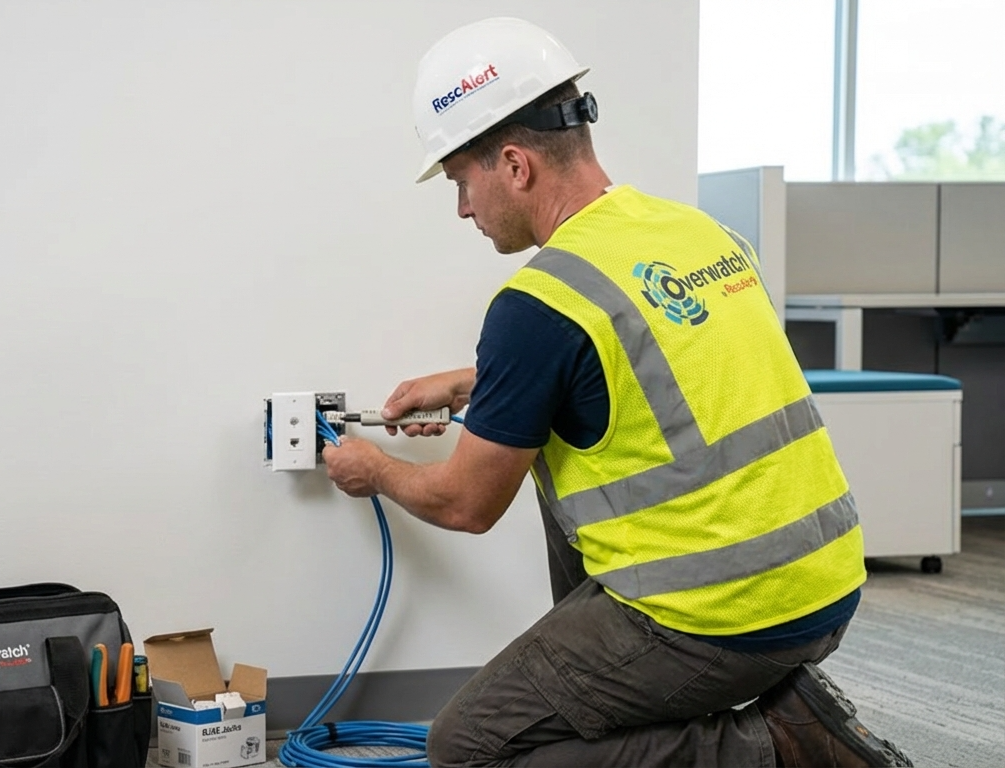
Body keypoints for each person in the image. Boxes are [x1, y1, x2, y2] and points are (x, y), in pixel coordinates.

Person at [321, 17, 912, 768]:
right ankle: (752, 706)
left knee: (467, 746)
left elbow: (467, 505)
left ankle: (778, 745)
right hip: (823, 582)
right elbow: (652, 368)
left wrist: (373, 470)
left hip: (723, 614)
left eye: (461, 182)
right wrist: (482, 384)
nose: (463, 208)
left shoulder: (536, 305)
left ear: (514, 165)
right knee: (547, 448)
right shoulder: (697, 234)